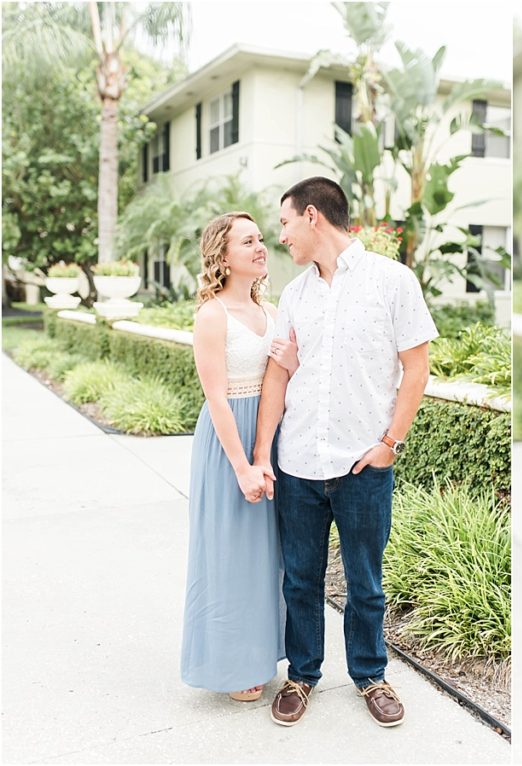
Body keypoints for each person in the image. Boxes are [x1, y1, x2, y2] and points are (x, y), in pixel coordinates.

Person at [251, 177, 437, 728]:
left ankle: (370, 675)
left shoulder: (392, 281)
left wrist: (388, 445)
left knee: (366, 582)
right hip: (299, 463)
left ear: (312, 216)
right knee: (301, 580)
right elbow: (279, 378)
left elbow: (417, 367)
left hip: (362, 465)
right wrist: (265, 452)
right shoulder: (294, 295)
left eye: (284, 223)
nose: (279, 235)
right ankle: (302, 676)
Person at [181, 211, 297, 702]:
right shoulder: (212, 316)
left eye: (262, 239)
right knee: (230, 553)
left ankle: (263, 653)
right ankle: (231, 664)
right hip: (229, 443)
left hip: (270, 437)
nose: (260, 247)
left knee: (267, 555)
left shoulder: (271, 312)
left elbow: (286, 374)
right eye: (247, 241)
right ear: (222, 256)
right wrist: (243, 465)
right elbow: (217, 398)